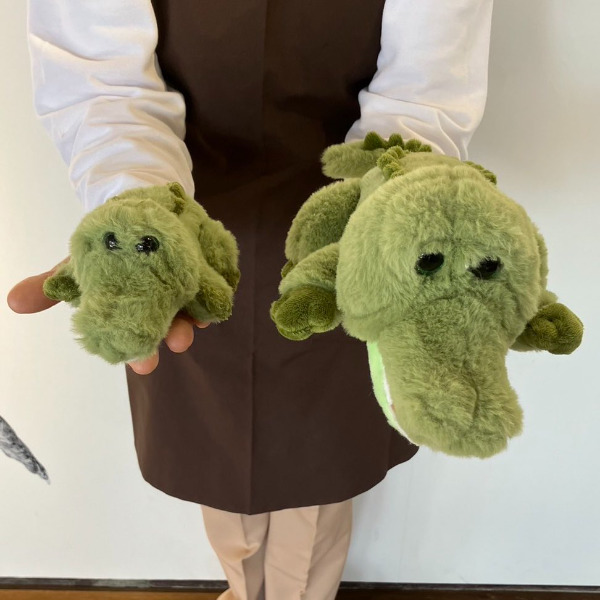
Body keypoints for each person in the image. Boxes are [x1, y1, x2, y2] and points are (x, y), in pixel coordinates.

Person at [8, 1, 494, 598]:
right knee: (219, 458)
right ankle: (241, 590)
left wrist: (383, 208)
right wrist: (140, 211)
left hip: (343, 235)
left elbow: (424, 90)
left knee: (317, 470)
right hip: (189, 242)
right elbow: (103, 80)